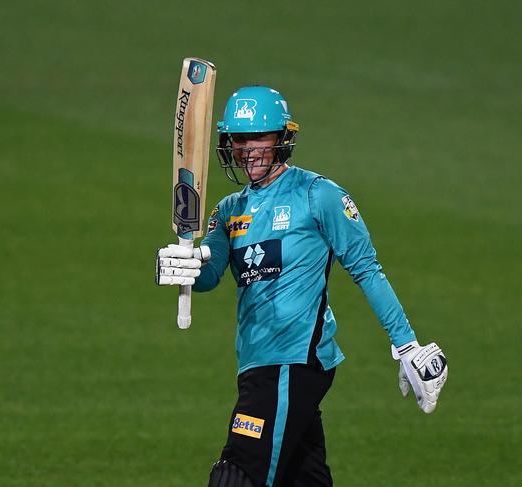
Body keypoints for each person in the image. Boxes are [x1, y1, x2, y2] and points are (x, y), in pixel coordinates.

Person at [156, 86, 448, 487]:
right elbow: (210, 275)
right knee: (305, 479)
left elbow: (366, 268)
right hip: (256, 362)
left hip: (293, 360)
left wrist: (406, 345)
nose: (248, 149)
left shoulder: (317, 195)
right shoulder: (229, 210)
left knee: (236, 475)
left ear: (282, 139)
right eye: (239, 139)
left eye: (259, 137)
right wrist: (186, 265)